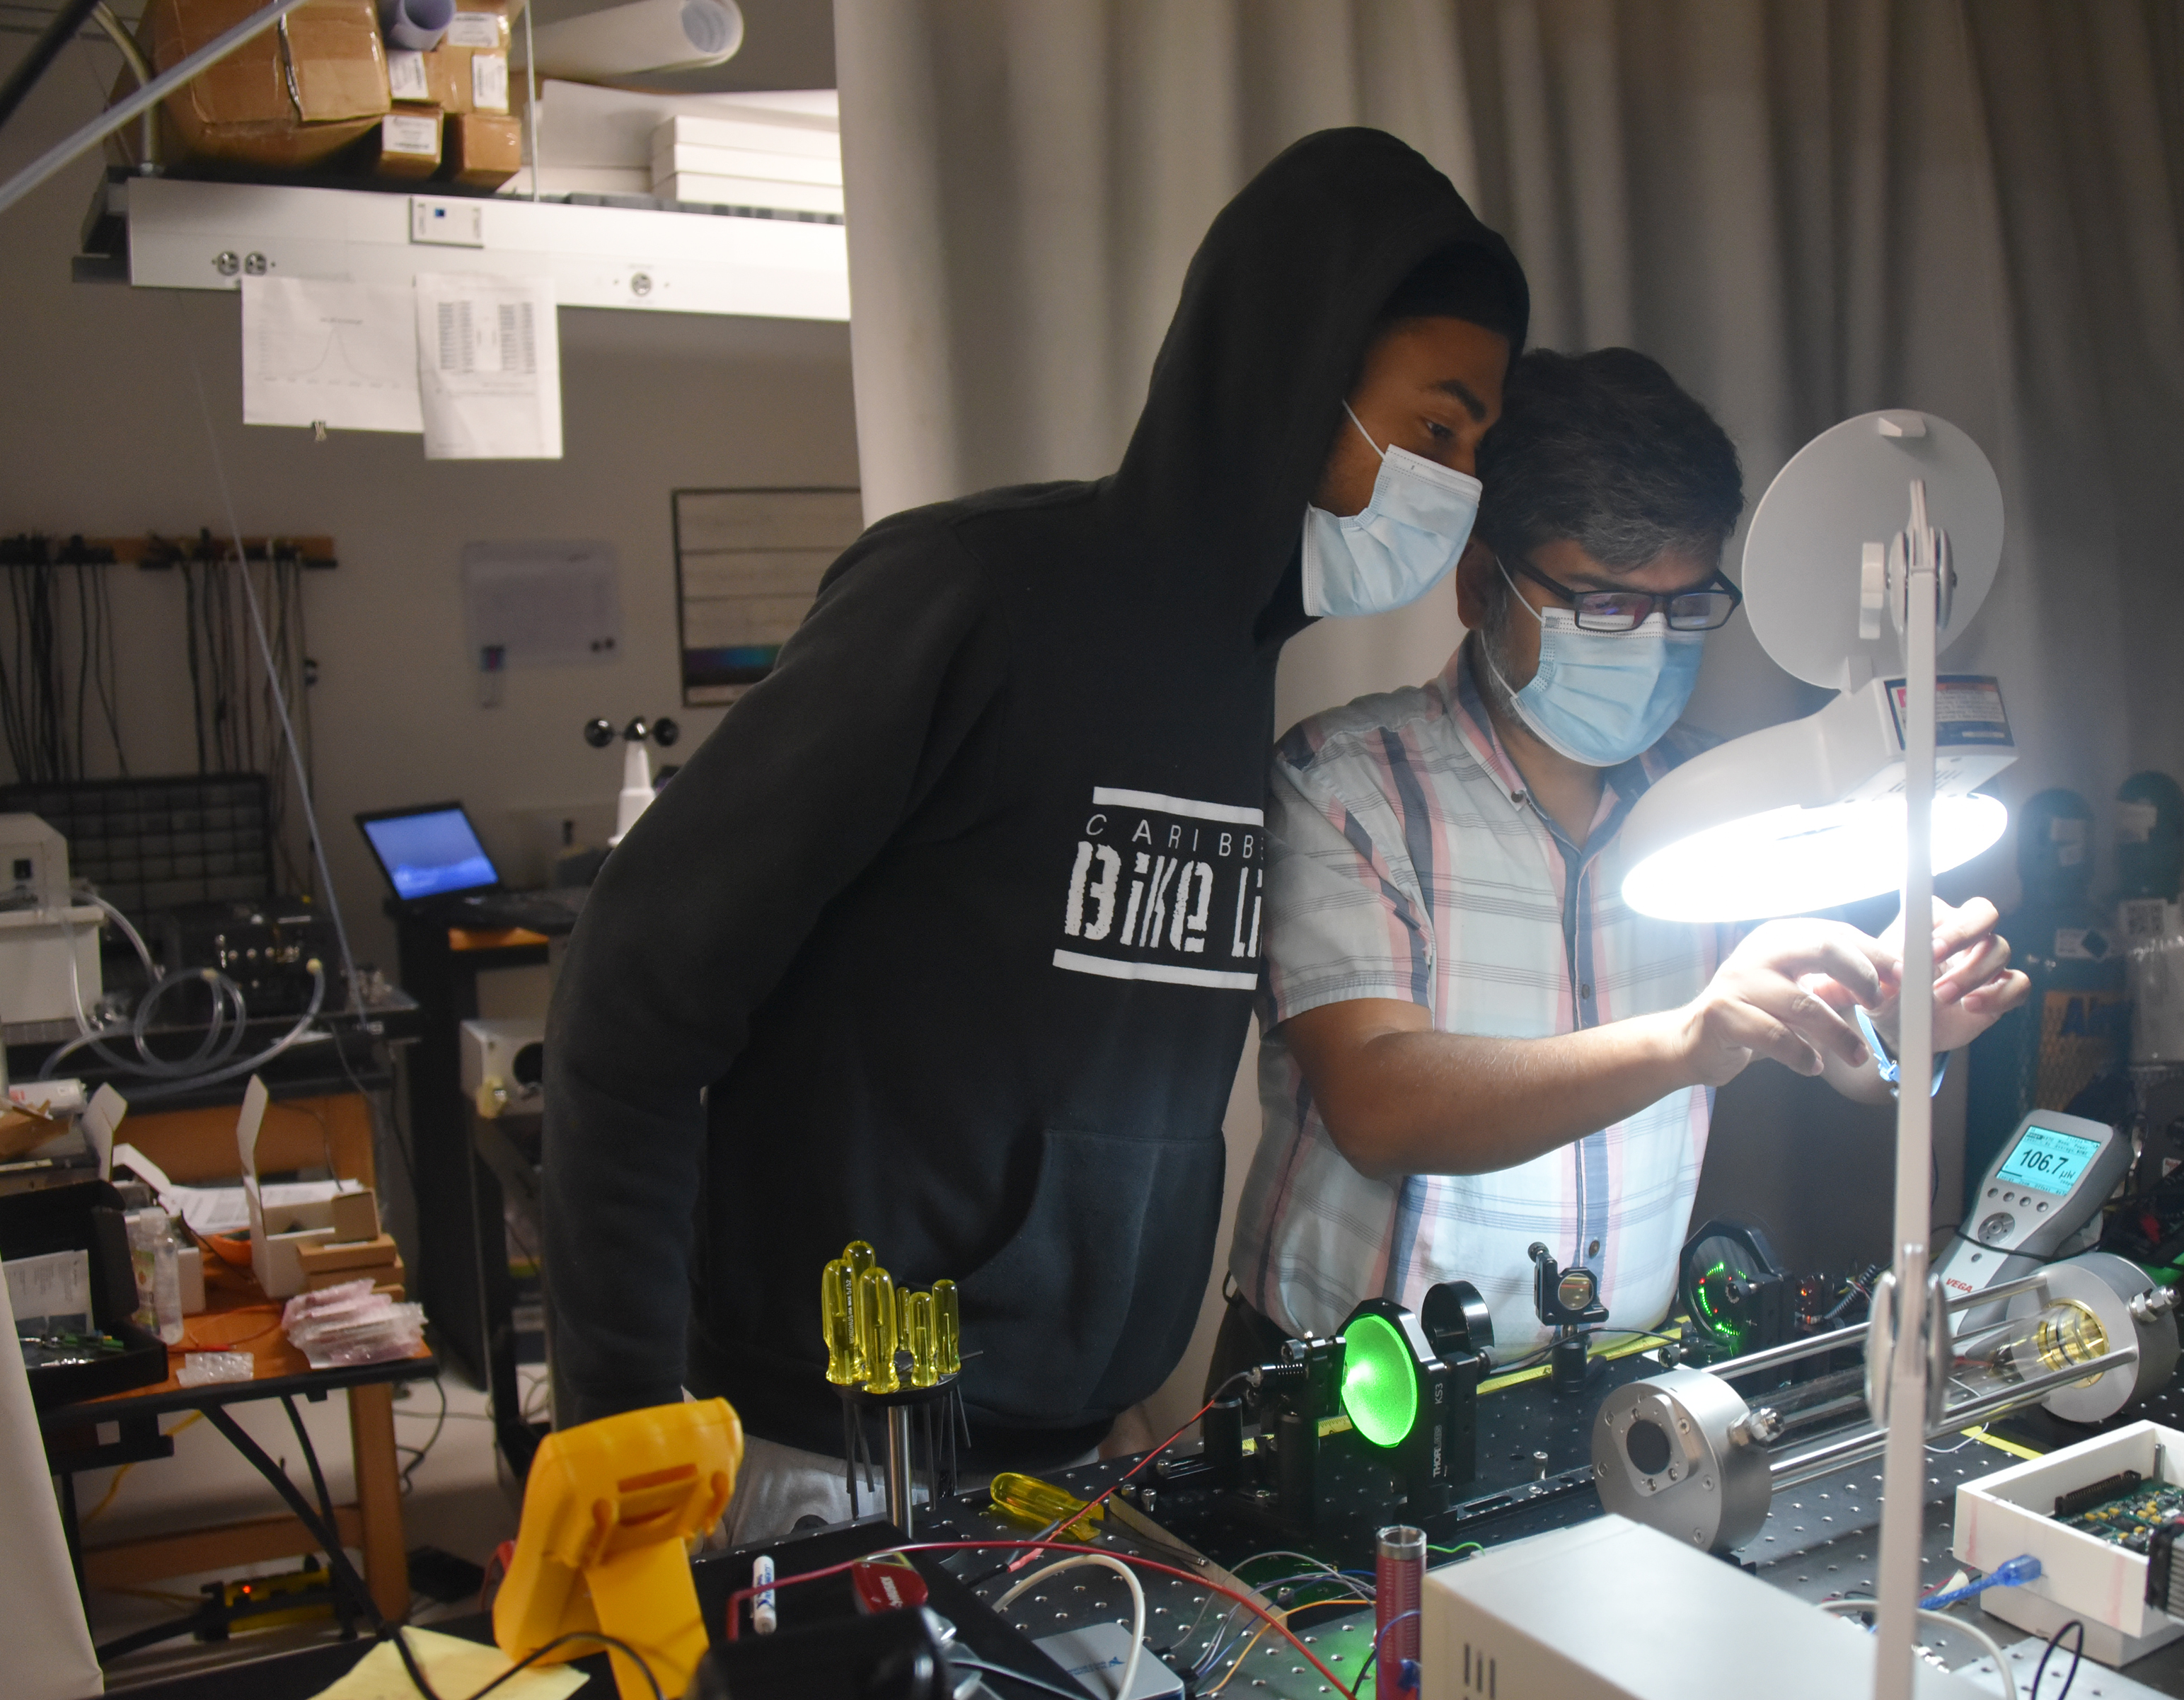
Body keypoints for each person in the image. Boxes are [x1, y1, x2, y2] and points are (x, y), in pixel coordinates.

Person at [539, 128, 1529, 1541]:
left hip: (1069, 1458)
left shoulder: (1234, 673)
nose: (1457, 483)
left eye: (1480, 448)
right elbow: (630, 1000)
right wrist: (626, 1435)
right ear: (1294, 379)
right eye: (1436, 430)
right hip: (824, 1465)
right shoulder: (973, 594)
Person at [1223, 347, 2030, 1365]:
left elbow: (1842, 1062)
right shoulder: (1345, 784)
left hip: (1603, 1376)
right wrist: (1685, 1039)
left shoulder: (1716, 808)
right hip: (1351, 1389)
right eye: (1606, 607)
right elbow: (1379, 1107)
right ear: (1482, 586)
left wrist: (1898, 1023)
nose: (1650, 644)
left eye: (1687, 607)